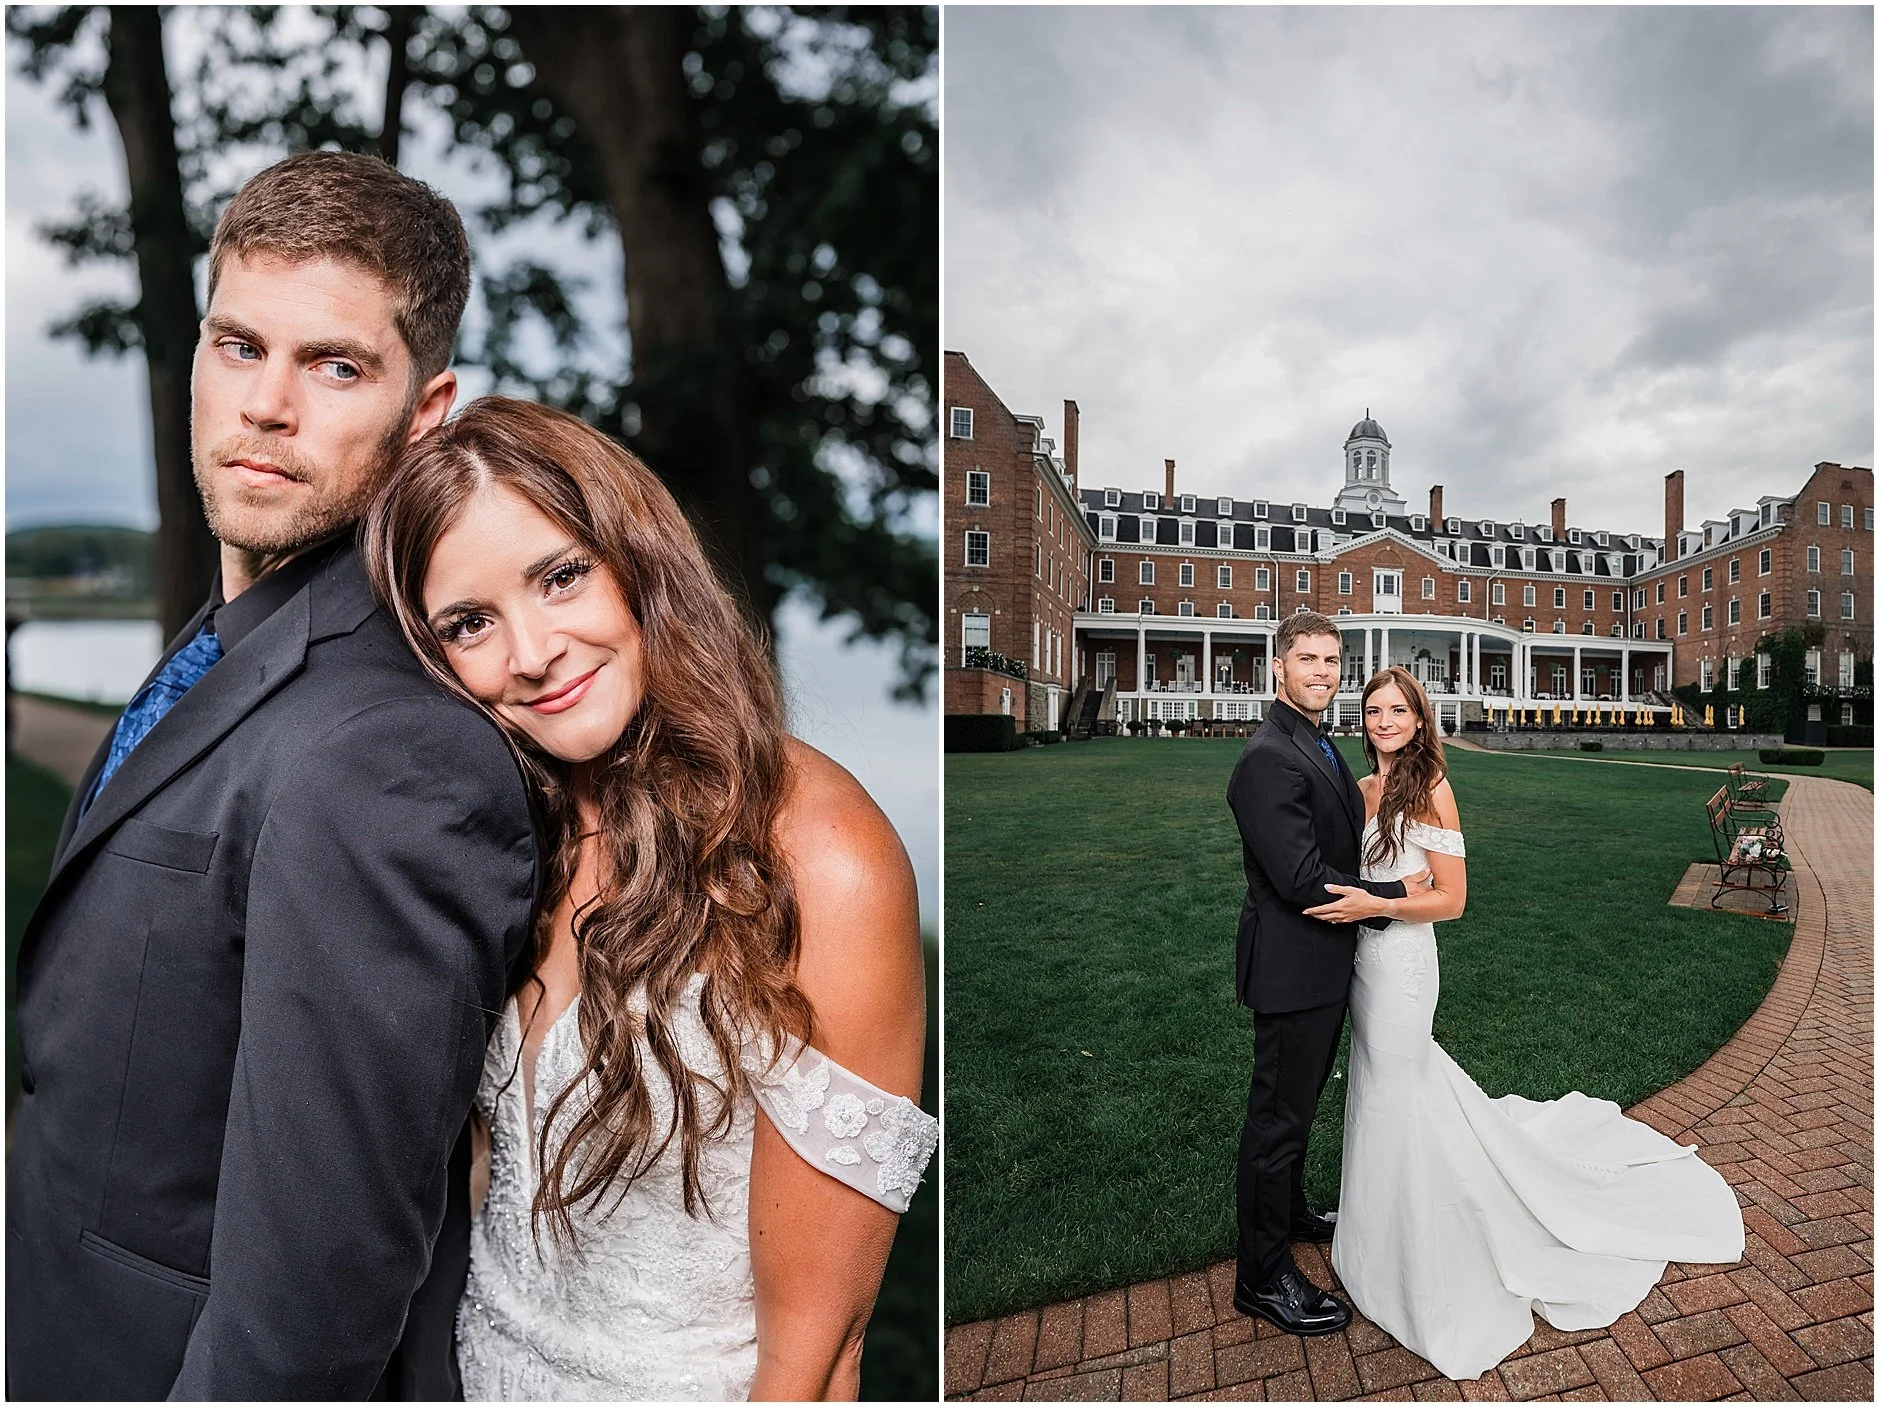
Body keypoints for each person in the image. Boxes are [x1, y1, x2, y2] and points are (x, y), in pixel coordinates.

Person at [6, 152, 537, 1399]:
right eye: (238, 346)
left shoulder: (393, 757)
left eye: (335, 366)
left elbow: (318, 1292)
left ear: (426, 414)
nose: (265, 404)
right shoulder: (225, 639)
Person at [362, 396, 937, 1401]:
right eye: (469, 623)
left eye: (560, 576)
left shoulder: (820, 857)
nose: (531, 651)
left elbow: (819, 1353)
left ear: (638, 563)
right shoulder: (509, 830)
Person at [1307, 666, 1744, 1379]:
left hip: (1403, 968)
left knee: (1398, 1087)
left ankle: (1419, 1254)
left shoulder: (1431, 790)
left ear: (1419, 720)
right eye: (1373, 710)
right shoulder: (1360, 791)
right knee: (1381, 1092)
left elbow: (1451, 901)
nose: (1384, 720)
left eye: (1397, 710)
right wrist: (1371, 896)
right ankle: (1374, 1234)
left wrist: (1375, 906)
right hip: (1359, 965)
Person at [1223, 613, 1431, 1336]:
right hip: (1291, 967)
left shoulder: (1314, 739)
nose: (1321, 670)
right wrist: (1404, 898)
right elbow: (1304, 880)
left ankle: (1288, 1211)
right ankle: (1261, 1275)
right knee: (1276, 1121)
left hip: (1323, 965)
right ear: (1276, 666)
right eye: (1306, 658)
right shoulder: (1267, 756)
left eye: (1331, 659)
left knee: (1297, 1109)